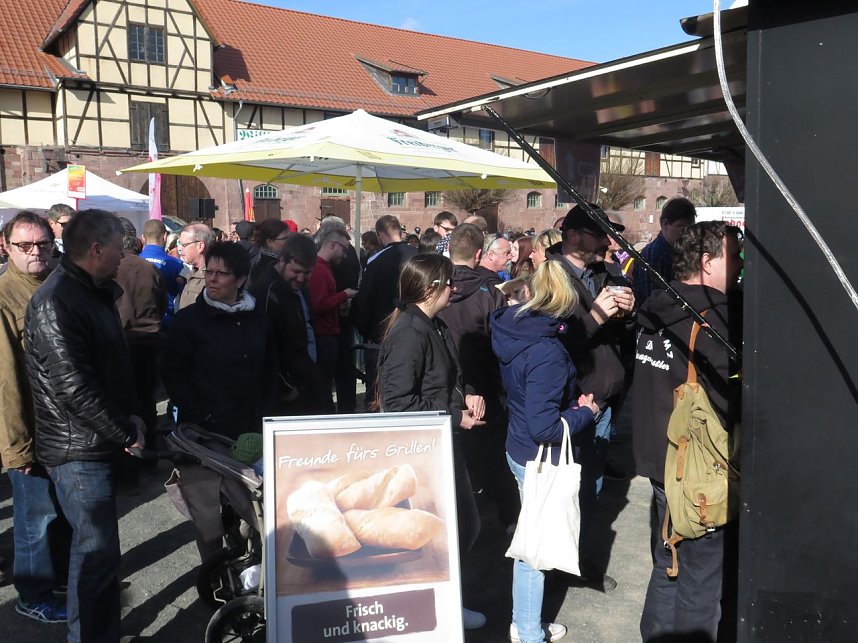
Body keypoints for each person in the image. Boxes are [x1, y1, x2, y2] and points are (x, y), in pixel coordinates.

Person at [25, 209, 146, 643]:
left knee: (92, 555)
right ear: (96, 250)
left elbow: (109, 368)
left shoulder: (89, 292)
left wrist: (129, 415)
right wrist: (125, 431)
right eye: (118, 248)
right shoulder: (57, 300)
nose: (124, 255)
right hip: (78, 451)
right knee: (97, 556)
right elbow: (74, 388)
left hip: (92, 442)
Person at [633, 221, 742, 643]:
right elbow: (729, 398)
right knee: (700, 578)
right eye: (733, 257)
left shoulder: (657, 305)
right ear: (706, 260)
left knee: (668, 561)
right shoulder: (715, 315)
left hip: (658, 459)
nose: (738, 268)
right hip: (697, 469)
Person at [492, 259, 600, 643]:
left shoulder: (511, 325)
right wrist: (584, 412)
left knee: (530, 543)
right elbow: (545, 427)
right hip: (536, 456)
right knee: (534, 554)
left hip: (517, 445)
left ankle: (526, 623)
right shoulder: (547, 352)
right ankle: (527, 631)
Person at [376, 253, 487, 630]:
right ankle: (434, 611)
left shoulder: (432, 325)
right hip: (421, 454)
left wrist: (467, 393)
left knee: (461, 528)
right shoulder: (409, 332)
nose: (454, 288)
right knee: (444, 534)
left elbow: (446, 376)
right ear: (429, 289)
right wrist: (455, 416)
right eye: (448, 283)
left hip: (441, 444)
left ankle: (447, 603)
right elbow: (397, 405)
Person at [0, 211, 70, 623]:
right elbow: (6, 383)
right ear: (6, 248)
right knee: (35, 518)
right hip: (30, 430)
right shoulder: (6, 295)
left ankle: (59, 580)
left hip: (63, 428)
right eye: (25, 246)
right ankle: (33, 594)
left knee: (60, 512)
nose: (36, 252)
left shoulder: (58, 285)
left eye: (43, 244)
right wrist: (17, 448)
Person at [437, 223, 519, 530]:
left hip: (449, 387)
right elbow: (502, 345)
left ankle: (460, 522)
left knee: (458, 460)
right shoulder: (490, 295)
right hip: (486, 385)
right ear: (479, 254)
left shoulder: (436, 289)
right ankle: (508, 519)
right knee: (495, 458)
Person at [162, 242, 276, 440]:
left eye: (222, 273)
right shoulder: (189, 320)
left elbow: (271, 365)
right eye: (209, 271)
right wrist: (203, 412)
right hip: (207, 431)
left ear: (240, 280)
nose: (212, 279)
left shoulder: (258, 316)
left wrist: (266, 408)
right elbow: (173, 373)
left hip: (252, 427)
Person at [115, 218, 168, 477]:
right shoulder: (149, 269)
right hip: (147, 341)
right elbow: (162, 301)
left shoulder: (109, 269)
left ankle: (129, 466)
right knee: (146, 401)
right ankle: (149, 457)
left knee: (123, 402)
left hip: (121, 344)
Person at [250, 233, 323, 415]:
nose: (300, 278)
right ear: (282, 260)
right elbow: (264, 348)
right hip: (284, 395)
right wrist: (286, 387)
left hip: (304, 383)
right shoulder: (267, 291)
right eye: (296, 272)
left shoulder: (296, 288)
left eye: (306, 273)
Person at [351, 215, 417, 409]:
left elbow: (365, 298)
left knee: (378, 390)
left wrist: (366, 330)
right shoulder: (418, 254)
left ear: (380, 235)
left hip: (382, 333)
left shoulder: (377, 259)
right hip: (415, 327)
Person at [308, 227, 358, 413]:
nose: (345, 255)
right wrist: (343, 296)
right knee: (324, 389)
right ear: (332, 245)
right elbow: (318, 304)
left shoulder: (324, 268)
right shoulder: (320, 270)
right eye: (344, 249)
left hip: (328, 334)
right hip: (324, 336)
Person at [632, 196, 696, 305]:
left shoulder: (679, 250)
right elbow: (653, 302)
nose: (688, 233)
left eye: (691, 227)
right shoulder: (654, 256)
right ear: (665, 224)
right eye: (682, 227)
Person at [139, 218, 186, 328]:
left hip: (139, 321)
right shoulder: (176, 264)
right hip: (167, 321)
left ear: (142, 237)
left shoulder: (133, 261)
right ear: (165, 236)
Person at [176, 223, 215, 309]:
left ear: (200, 246)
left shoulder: (212, 279)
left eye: (184, 245)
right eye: (179, 244)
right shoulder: (192, 272)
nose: (180, 249)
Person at [249, 218, 290, 284]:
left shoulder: (284, 259)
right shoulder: (265, 267)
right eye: (284, 238)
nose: (290, 241)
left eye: (290, 237)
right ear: (269, 242)